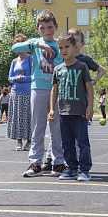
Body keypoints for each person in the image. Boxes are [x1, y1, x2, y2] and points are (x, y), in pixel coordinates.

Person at [12, 10, 65, 177]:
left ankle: (57, 163)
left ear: (56, 27)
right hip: (38, 88)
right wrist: (37, 45)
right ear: (37, 29)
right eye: (42, 28)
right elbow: (15, 47)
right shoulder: (35, 43)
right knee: (37, 127)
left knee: (57, 128)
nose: (47, 31)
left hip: (57, 90)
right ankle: (35, 163)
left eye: (50, 27)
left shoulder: (60, 44)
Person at [49, 33, 94, 181]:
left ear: (75, 47)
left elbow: (89, 87)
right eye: (60, 47)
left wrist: (90, 107)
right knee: (67, 142)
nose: (63, 50)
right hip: (63, 112)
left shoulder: (82, 66)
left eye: (66, 47)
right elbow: (54, 90)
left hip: (79, 110)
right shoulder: (58, 69)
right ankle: (72, 168)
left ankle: (85, 170)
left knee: (82, 142)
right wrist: (52, 109)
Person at [68, 28, 106, 125]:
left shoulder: (85, 59)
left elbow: (102, 70)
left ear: (82, 44)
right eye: (71, 40)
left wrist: (93, 81)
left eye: (76, 40)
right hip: (67, 100)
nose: (73, 43)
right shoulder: (64, 58)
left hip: (81, 100)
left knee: (80, 129)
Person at [7, 33, 32, 151]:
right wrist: (15, 79)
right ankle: (19, 141)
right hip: (15, 93)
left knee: (27, 117)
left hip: (27, 93)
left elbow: (34, 76)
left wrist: (22, 78)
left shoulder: (31, 59)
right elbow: (10, 78)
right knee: (17, 117)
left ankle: (29, 141)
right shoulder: (14, 62)